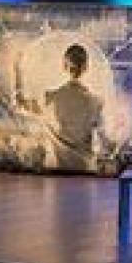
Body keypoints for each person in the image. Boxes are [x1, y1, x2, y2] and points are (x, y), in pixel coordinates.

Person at [45, 44, 105, 172]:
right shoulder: (96, 102)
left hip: (56, 170)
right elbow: (102, 139)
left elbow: (20, 105)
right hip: (84, 169)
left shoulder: (50, 98)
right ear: (86, 67)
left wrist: (16, 72)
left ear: (64, 66)